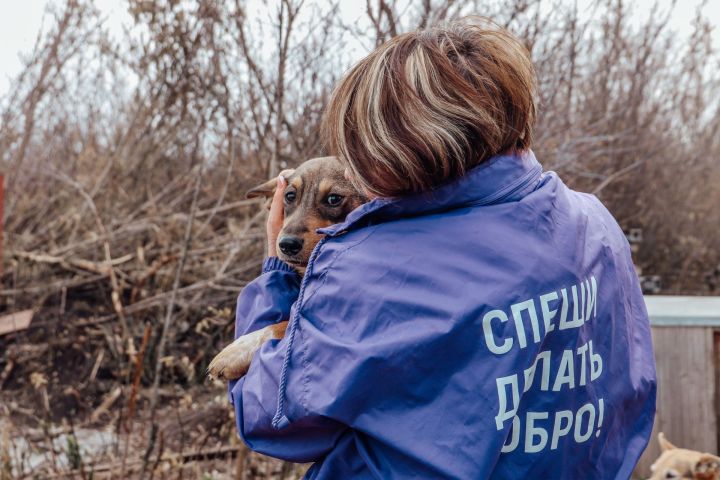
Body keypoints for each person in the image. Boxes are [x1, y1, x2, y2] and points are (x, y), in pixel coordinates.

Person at [227, 17, 656, 479]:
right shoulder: (595, 223)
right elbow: (629, 394)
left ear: (396, 145)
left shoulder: (372, 264)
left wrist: (276, 272)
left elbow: (271, 418)